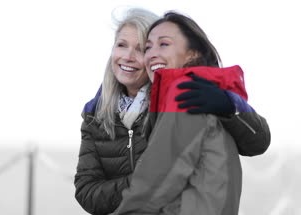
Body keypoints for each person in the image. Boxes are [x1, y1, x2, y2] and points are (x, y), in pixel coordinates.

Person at [75, 8, 270, 215]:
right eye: (122, 45)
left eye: (141, 48)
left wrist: (230, 105)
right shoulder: (95, 113)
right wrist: (145, 180)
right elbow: (87, 191)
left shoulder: (185, 96)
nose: (128, 57)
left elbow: (258, 142)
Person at [112, 11, 250, 214]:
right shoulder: (206, 90)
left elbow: (157, 178)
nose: (152, 53)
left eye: (164, 44)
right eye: (148, 47)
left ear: (192, 53)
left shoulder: (187, 92)